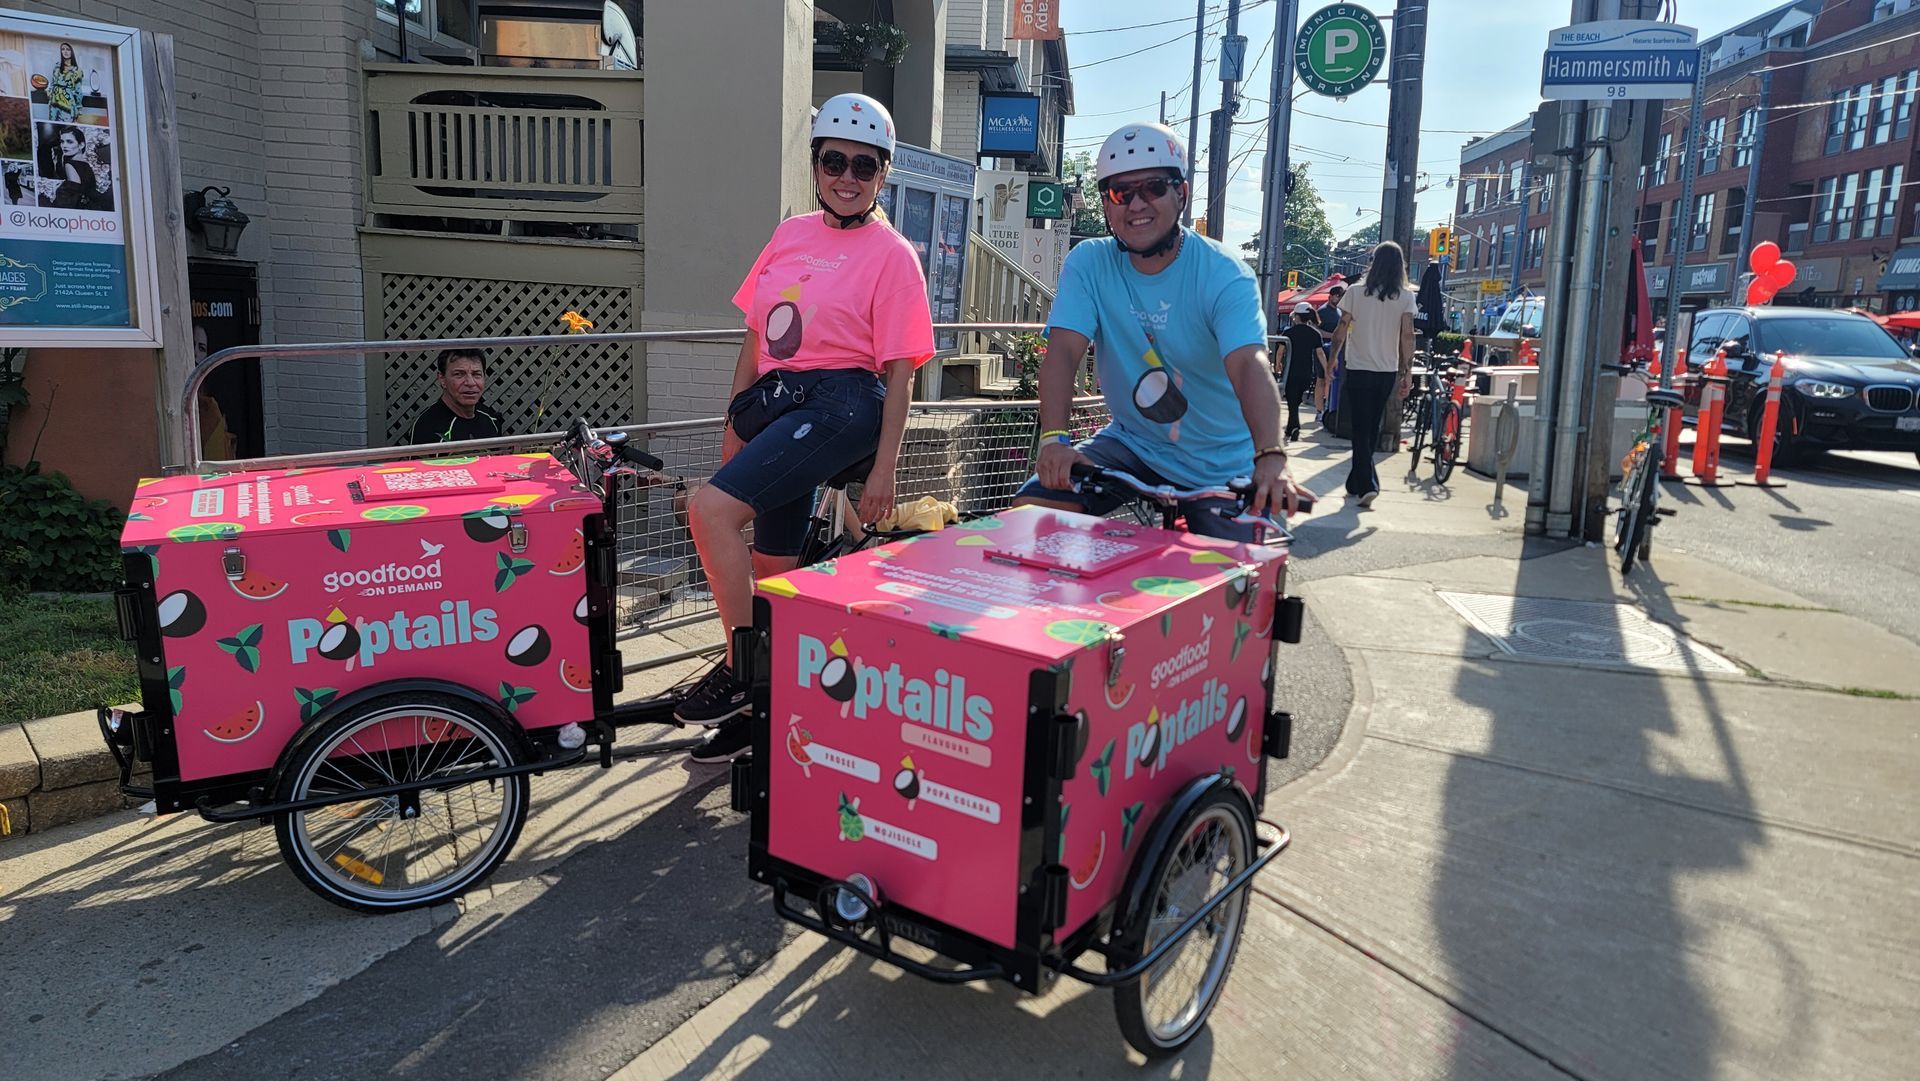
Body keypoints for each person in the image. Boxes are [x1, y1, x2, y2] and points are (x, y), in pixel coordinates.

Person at [678, 93, 934, 759]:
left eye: (864, 165)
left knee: (708, 512)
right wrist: (735, 424)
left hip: (845, 403)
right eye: (833, 161)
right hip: (779, 404)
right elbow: (756, 341)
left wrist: (885, 467)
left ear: (883, 175)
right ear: (816, 165)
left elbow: (902, 371)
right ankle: (769, 703)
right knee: (773, 570)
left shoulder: (893, 254)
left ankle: (741, 672)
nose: (847, 177)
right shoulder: (789, 235)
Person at [1013, 121, 1309, 539]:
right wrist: (1054, 440)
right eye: (1121, 192)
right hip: (1134, 445)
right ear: (1106, 205)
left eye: (1153, 187)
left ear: (1182, 195)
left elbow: (1249, 366)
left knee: (1251, 573)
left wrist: (1272, 457)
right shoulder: (1089, 263)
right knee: (1032, 512)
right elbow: (1062, 352)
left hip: (1223, 464)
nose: (1137, 204)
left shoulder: (1224, 275)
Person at [1331, 241, 1417, 507]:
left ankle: (1367, 484)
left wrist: (1331, 359)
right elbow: (1407, 335)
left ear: (1374, 263)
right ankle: (1356, 481)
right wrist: (1407, 372)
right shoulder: (1405, 296)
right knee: (1370, 427)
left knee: (1360, 427)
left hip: (1358, 368)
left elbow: (1341, 328)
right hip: (1386, 370)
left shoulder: (1355, 292)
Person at [408, 348, 504, 445]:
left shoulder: (490, 418)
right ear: (442, 379)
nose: (470, 383)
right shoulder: (427, 428)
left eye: (476, 374)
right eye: (459, 374)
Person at [1279, 302, 1327, 444]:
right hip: (1306, 372)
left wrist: (1278, 365)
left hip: (1290, 371)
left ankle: (1295, 427)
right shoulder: (1315, 334)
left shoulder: (1288, 333)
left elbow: (1280, 351)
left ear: (1297, 316)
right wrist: (1327, 370)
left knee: (1292, 400)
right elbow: (1320, 354)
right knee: (1296, 400)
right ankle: (1290, 428)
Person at [48, 126, 95, 210]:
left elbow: (70, 201)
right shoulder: (86, 165)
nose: (64, 146)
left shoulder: (70, 165)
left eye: (69, 142)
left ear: (81, 145)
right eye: (62, 142)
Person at [46, 42, 81, 123]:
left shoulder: (77, 70)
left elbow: (78, 90)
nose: (65, 51)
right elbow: (53, 81)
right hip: (54, 100)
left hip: (67, 101)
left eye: (68, 49)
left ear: (72, 51)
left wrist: (79, 108)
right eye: (63, 49)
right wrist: (49, 91)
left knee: (66, 126)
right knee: (53, 126)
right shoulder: (57, 66)